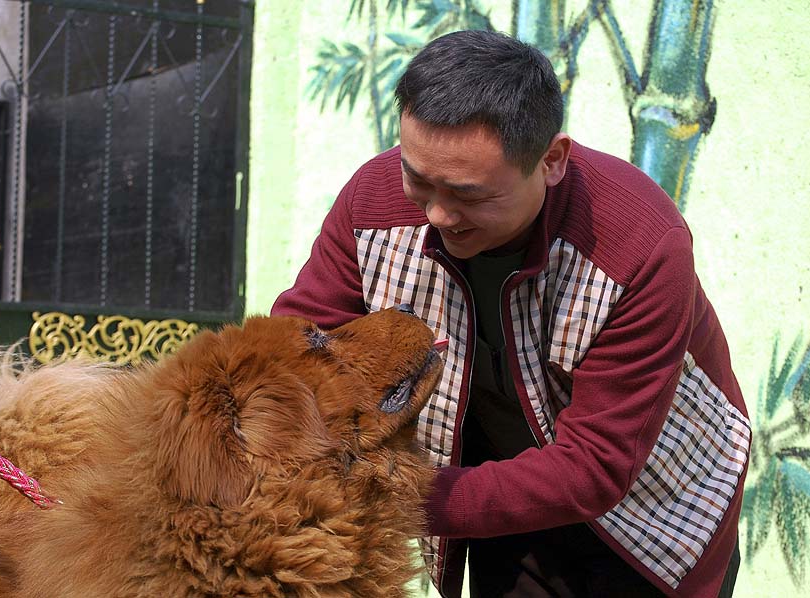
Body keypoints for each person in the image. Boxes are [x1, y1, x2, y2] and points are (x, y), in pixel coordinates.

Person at [272, 29, 749, 598]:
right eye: (418, 181)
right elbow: (297, 344)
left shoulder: (641, 244)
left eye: (469, 195)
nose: (438, 214)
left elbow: (594, 466)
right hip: (493, 493)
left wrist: (387, 496)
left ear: (551, 160)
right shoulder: (371, 200)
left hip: (656, 510)